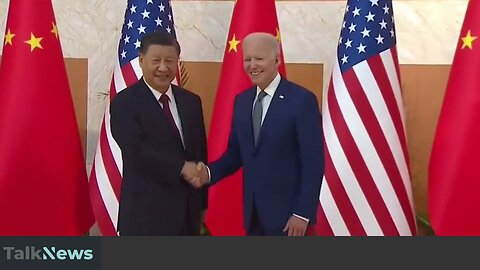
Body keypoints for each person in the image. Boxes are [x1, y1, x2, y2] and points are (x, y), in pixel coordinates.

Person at [195, 32, 324, 236]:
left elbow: (313, 162)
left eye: (259, 58)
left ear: (276, 60)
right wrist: (207, 174)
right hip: (254, 216)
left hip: (291, 220)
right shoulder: (242, 101)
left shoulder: (302, 101)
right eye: (248, 59)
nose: (252, 65)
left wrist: (303, 213)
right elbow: (235, 154)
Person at [110, 31, 208, 236]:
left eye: (170, 61)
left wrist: (202, 204)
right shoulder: (125, 102)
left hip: (188, 218)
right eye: (156, 60)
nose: (163, 68)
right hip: (145, 218)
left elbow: (200, 153)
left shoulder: (191, 102)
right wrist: (181, 167)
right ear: (141, 60)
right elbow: (135, 151)